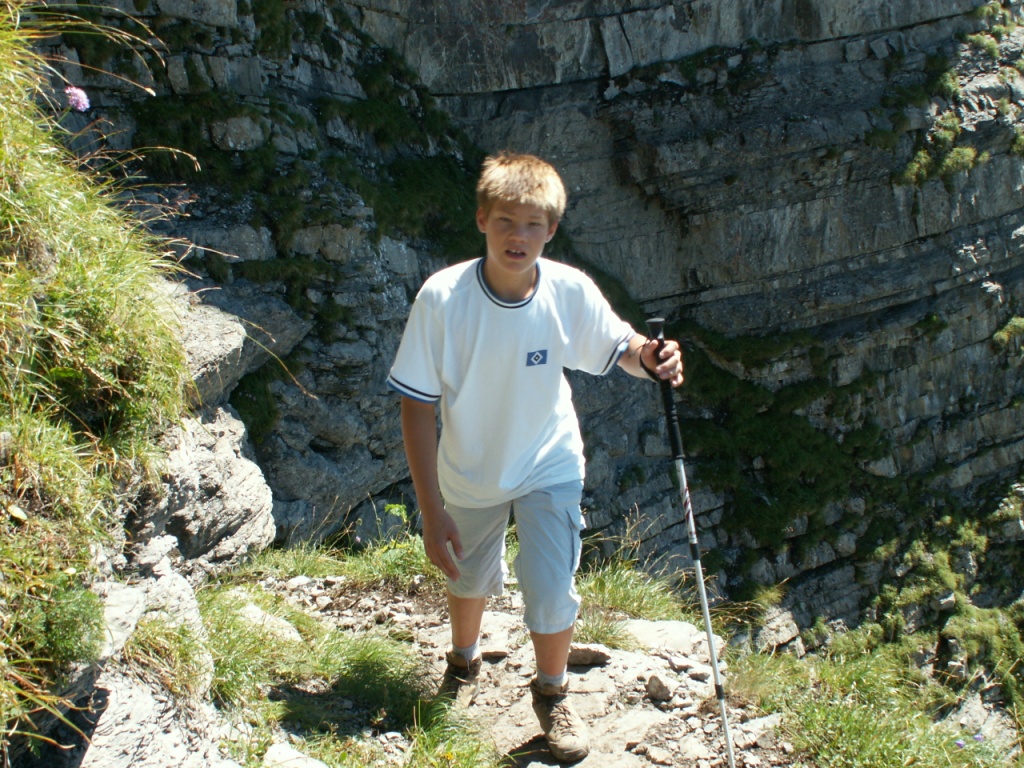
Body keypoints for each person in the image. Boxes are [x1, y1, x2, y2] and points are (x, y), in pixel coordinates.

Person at [387, 152, 684, 763]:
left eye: (532, 224)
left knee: (550, 587)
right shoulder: (442, 299)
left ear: (551, 229)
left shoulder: (567, 290)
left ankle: (552, 692)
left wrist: (652, 357)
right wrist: (431, 510)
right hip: (470, 468)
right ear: (481, 220)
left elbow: (621, 347)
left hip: (549, 460)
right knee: (466, 575)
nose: (517, 236)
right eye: (505, 221)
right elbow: (416, 407)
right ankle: (463, 662)